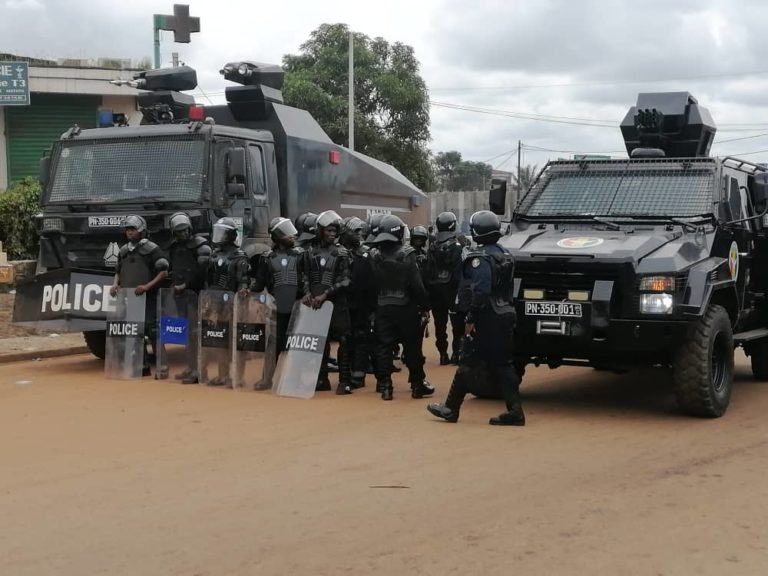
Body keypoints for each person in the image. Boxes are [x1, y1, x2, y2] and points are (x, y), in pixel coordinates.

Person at [427, 210, 524, 426]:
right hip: (505, 312)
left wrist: (471, 317)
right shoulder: (506, 254)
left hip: (487, 316)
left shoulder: (479, 258)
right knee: (503, 364)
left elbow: (481, 291)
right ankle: (515, 411)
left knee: (468, 361)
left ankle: (451, 408)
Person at [370, 214, 433, 401]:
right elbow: (417, 285)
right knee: (412, 347)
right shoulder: (407, 254)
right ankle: (417, 385)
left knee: (384, 347)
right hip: (406, 308)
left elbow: (369, 285)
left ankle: (386, 386)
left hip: (382, 307)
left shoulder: (374, 255)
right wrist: (425, 306)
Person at [109, 215, 169, 376]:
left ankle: (162, 366)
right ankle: (142, 365)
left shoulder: (152, 249)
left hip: (149, 298)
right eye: (128, 229)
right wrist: (115, 285)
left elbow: (163, 272)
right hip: (131, 298)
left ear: (142, 231)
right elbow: (118, 271)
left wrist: (147, 286)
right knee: (136, 331)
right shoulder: (124, 251)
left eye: (133, 229)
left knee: (154, 331)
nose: (130, 232)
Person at [302, 210, 353, 395]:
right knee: (319, 342)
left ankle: (345, 381)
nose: (332, 234)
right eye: (328, 230)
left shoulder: (342, 253)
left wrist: (326, 294)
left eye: (334, 231)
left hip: (337, 305)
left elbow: (345, 280)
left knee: (344, 340)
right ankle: (322, 378)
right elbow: (304, 276)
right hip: (316, 305)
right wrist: (307, 293)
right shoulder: (309, 252)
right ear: (320, 230)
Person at [166, 211, 211, 383]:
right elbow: (172, 268)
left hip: (195, 294)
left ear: (190, 229)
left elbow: (201, 272)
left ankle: (200, 369)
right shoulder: (174, 247)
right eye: (179, 231)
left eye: (185, 230)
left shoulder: (201, 246)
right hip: (180, 295)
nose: (183, 233)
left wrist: (185, 285)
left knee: (196, 332)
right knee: (186, 332)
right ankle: (191, 366)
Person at [204, 217, 250, 386]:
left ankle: (238, 377)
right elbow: (208, 281)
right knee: (219, 340)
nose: (219, 236)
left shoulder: (240, 256)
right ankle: (223, 375)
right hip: (216, 304)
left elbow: (244, 280)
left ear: (231, 235)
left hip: (234, 305)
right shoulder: (214, 255)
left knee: (236, 341)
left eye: (222, 233)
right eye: (218, 231)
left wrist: (243, 289)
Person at [251, 217, 304, 357]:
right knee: (275, 344)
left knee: (297, 345)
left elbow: (307, 279)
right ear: (276, 237)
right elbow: (259, 284)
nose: (292, 235)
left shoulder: (301, 255)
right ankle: (270, 370)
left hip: (298, 307)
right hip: (277, 308)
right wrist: (245, 290)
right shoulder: (267, 258)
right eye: (286, 232)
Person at [339, 216, 375, 389]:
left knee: (361, 338)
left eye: (360, 231)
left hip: (362, 304)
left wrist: (373, 307)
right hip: (343, 303)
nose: (359, 234)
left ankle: (358, 375)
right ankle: (345, 376)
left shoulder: (367, 253)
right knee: (345, 340)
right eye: (355, 231)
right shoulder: (338, 252)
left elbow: (373, 281)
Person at [426, 212, 464, 365]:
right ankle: (456, 353)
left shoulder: (432, 246)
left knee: (439, 324)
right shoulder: (456, 246)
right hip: (452, 290)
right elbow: (458, 273)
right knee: (457, 324)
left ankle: (443, 354)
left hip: (435, 289)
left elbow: (428, 270)